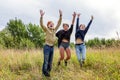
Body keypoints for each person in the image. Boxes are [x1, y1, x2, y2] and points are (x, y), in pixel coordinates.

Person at [40, 9, 62, 77]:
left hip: (52, 47)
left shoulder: (54, 30)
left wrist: (60, 16)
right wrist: (41, 17)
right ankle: (44, 73)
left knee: (50, 61)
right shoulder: (46, 29)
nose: (52, 25)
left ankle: (48, 72)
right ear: (48, 25)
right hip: (47, 46)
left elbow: (59, 23)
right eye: (50, 24)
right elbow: (41, 24)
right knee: (46, 61)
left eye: (53, 24)